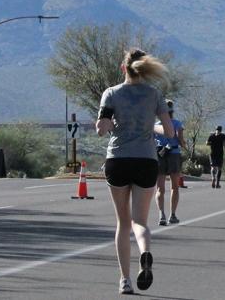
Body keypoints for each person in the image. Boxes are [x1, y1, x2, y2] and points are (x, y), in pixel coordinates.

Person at [95, 48, 175, 295]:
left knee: (123, 222)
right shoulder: (154, 94)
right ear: (145, 69)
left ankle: (125, 280)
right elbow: (170, 132)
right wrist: (151, 127)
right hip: (146, 161)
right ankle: (145, 253)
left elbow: (102, 128)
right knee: (140, 221)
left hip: (118, 159)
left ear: (124, 68)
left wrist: (106, 124)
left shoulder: (111, 93)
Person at [155, 100, 187, 225]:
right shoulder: (177, 123)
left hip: (160, 155)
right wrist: (184, 145)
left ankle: (161, 214)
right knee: (174, 187)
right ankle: (172, 214)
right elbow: (180, 140)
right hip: (174, 154)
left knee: (160, 188)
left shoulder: (156, 125)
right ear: (172, 110)